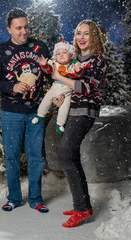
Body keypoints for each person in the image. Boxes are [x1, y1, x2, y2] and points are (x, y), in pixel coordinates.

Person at [0, 8, 53, 213]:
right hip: (10, 113)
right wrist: (12, 87)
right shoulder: (1, 51)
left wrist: (59, 91)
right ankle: (14, 198)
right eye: (18, 28)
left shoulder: (40, 47)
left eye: (26, 27)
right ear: (9, 29)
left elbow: (51, 75)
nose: (24, 31)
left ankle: (36, 199)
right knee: (12, 156)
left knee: (36, 157)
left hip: (36, 112)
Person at [51, 20, 107, 227]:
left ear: (94, 37)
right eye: (78, 33)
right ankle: (83, 205)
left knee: (65, 155)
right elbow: (68, 90)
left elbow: (85, 88)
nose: (81, 38)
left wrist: (58, 77)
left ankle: (82, 209)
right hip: (72, 110)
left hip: (85, 113)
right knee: (71, 156)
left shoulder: (97, 61)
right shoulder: (75, 60)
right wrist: (60, 99)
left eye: (86, 34)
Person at [32, 40, 84, 134]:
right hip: (55, 88)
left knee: (65, 108)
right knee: (46, 100)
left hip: (67, 91)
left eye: (64, 53)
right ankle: (40, 115)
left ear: (71, 55)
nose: (61, 55)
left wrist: (78, 70)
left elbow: (78, 75)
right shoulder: (54, 63)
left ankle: (60, 124)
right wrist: (44, 65)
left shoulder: (73, 64)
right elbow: (48, 70)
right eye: (58, 53)